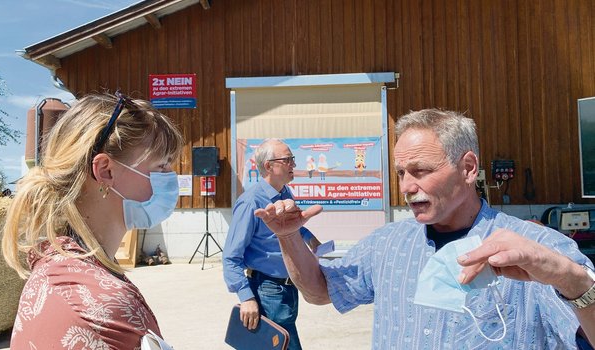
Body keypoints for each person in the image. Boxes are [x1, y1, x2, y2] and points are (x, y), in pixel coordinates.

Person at [255, 109, 595, 349]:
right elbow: (320, 291)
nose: (406, 186)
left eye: (420, 170)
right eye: (401, 172)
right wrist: (288, 237)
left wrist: (573, 281)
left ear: (468, 168)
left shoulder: (536, 249)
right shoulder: (387, 244)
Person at [2, 92, 183, 349]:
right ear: (105, 170)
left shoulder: (60, 266)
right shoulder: (103, 304)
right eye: (162, 166)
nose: (171, 177)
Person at [223, 139, 321, 350]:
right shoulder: (251, 202)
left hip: (288, 288)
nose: (293, 164)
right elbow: (231, 256)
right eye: (288, 160)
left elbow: (291, 227)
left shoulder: (284, 193)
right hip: (267, 290)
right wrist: (246, 297)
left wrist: (311, 240)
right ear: (269, 166)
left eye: (292, 159)